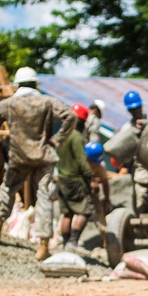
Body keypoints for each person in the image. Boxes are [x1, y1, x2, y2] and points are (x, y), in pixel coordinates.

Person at [0, 66, 76, 260]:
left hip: (19, 156)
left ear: (18, 84)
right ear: (35, 83)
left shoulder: (9, 104)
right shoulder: (47, 102)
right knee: (44, 197)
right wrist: (57, 139)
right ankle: (43, 245)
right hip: (43, 155)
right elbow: (70, 115)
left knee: (8, 188)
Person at [55, 104, 96, 255]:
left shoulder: (62, 136)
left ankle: (65, 243)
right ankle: (73, 242)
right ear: (82, 122)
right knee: (85, 211)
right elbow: (81, 161)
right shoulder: (76, 137)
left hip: (61, 179)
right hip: (75, 180)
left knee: (67, 213)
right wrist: (90, 177)